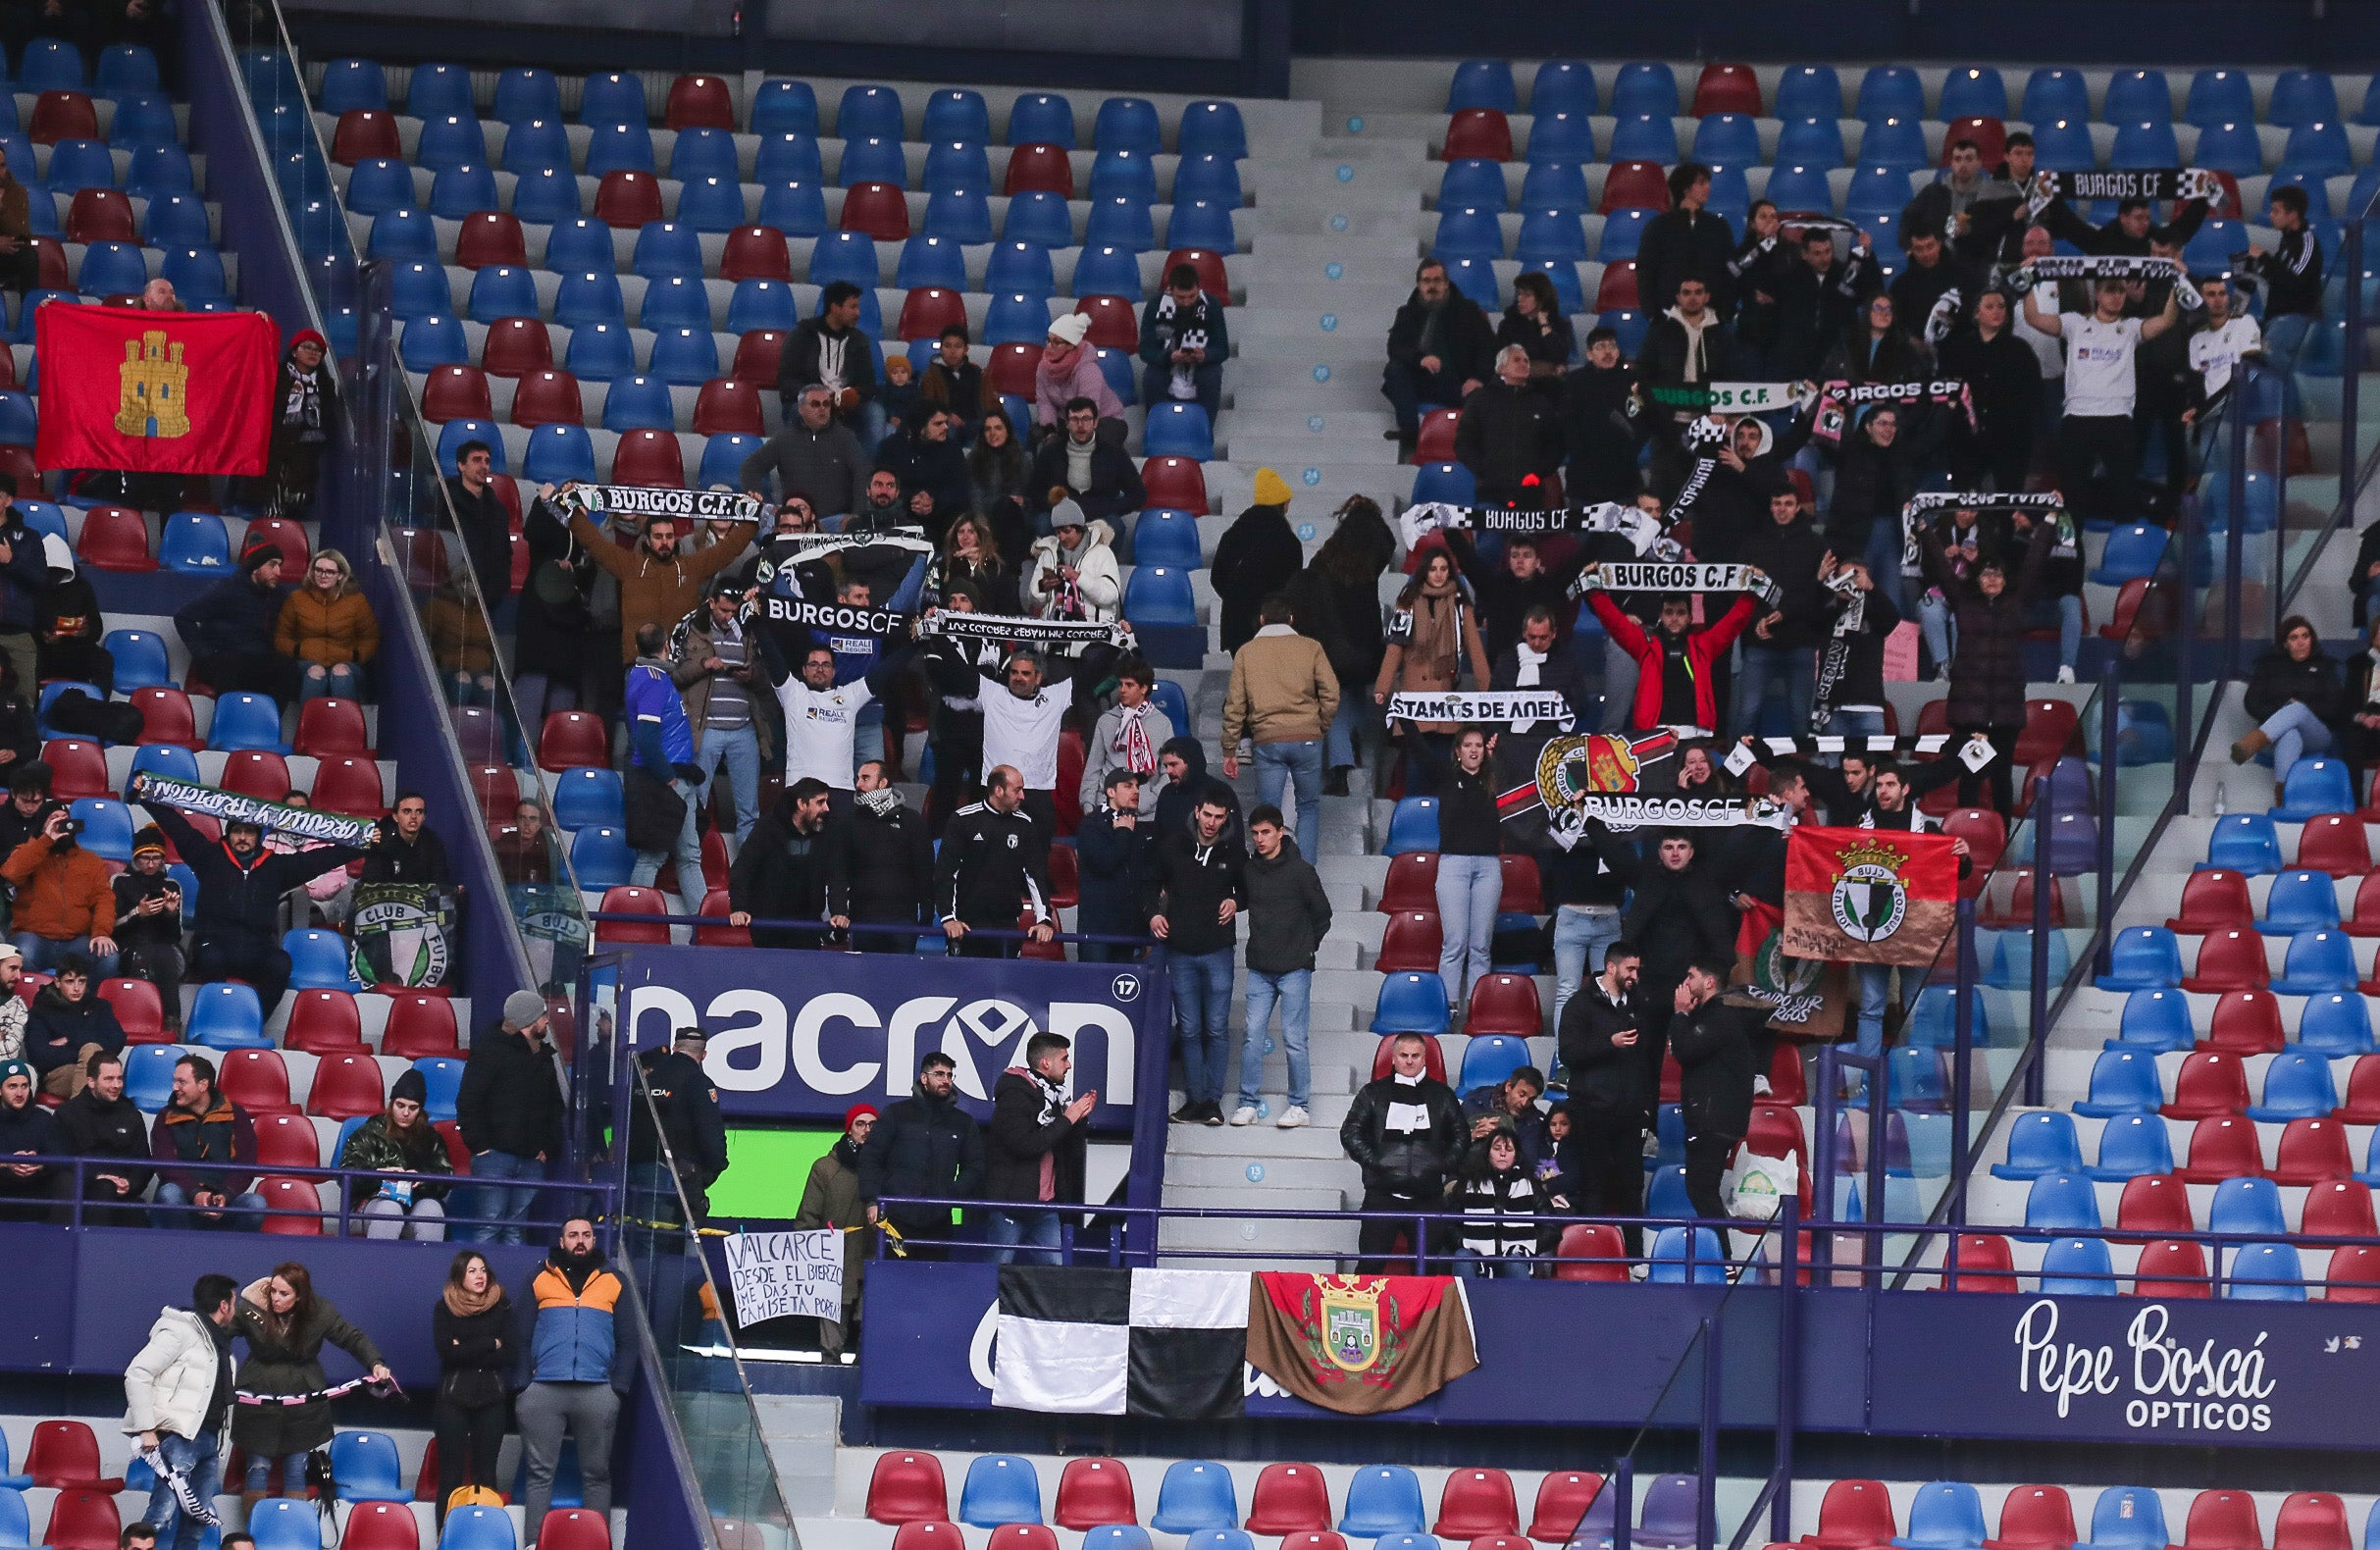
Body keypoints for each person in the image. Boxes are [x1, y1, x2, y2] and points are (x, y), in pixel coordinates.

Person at [139, 792, 370, 1021]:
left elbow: (320, 859)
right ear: (228, 834)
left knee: (281, 963)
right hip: (214, 943)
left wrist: (362, 842)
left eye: (249, 832)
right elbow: (178, 829)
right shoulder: (208, 857)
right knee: (210, 959)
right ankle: (220, 1019)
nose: (242, 837)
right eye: (237, 831)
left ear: (258, 836)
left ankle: (252, 1020)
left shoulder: (276, 865)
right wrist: (147, 795)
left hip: (257, 947)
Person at [2022, 277, 2183, 526]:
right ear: (2096, 294)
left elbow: (2167, 320)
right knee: (2071, 498)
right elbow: (2033, 317)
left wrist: (2177, 282)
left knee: (2125, 496)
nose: (2116, 296)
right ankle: (2070, 555)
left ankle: (2127, 552)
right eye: (2110, 290)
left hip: (2117, 420)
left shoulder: (2130, 328)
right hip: (2077, 419)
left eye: (2120, 291)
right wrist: (2029, 282)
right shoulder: (2075, 323)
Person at [231, 1264, 391, 1508]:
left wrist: (375, 1363)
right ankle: (253, 1539)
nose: (275, 1298)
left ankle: (292, 1537)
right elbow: (218, 1330)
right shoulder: (249, 1307)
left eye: (284, 1294)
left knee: (296, 1471)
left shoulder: (320, 1312)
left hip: (303, 1400)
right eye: (273, 1291)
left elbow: (351, 1337)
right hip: (258, 1396)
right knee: (257, 1470)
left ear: (300, 1295)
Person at [517, 1218, 629, 1539]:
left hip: (597, 1391)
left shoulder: (614, 1280)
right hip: (544, 1390)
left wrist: (617, 1389)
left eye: (586, 1235)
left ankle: (595, 1544)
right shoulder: (538, 1277)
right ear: (562, 1239)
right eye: (573, 1235)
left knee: (597, 1474)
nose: (580, 1240)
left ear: (594, 1239)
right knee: (539, 1475)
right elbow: (520, 1335)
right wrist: (524, 1386)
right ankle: (534, 1545)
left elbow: (629, 1340)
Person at [1934, 527, 2053, 813]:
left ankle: (2002, 845)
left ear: (2005, 580)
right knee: (1971, 777)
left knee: (2001, 779)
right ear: (1977, 579)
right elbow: (1941, 568)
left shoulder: (2015, 604)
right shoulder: (1964, 603)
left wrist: (2048, 521)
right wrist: (1924, 529)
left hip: (2005, 714)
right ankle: (1965, 843)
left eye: (1997, 575)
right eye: (1986, 574)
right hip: (1970, 714)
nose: (1992, 579)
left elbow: (2034, 563)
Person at [1148, 791, 1246, 1124]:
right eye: (1207, 815)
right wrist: (1152, 915)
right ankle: (1195, 1100)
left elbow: (1249, 888)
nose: (1212, 823)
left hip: (1218, 949)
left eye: (1219, 817)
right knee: (1189, 1030)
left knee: (1216, 1029)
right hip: (1180, 951)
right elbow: (1148, 882)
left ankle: (1212, 1102)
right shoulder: (1173, 845)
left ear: (1227, 817)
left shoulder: (1234, 852)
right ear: (1197, 811)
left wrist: (1236, 902)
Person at [124, 1273, 239, 1550]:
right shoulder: (179, 1332)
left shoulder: (218, 1342)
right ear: (224, 1305)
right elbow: (137, 1373)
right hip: (179, 1438)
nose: (238, 1310)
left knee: (196, 1524)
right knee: (160, 1516)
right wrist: (146, 1427)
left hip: (209, 1441)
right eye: (235, 1302)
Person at [1221, 594, 1339, 863]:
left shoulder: (1246, 652)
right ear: (1291, 620)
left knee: (1268, 814)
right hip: (1308, 738)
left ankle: (1272, 871)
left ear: (1261, 621)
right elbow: (1331, 693)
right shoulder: (1311, 647)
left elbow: (1235, 705)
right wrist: (1320, 725)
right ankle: (1307, 871)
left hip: (1267, 740)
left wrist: (1230, 747)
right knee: (1307, 807)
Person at [1234, 804, 1330, 1129]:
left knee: (1294, 1037)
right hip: (1261, 967)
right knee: (1252, 1035)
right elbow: (1243, 900)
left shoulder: (1302, 872)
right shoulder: (1249, 871)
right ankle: (1247, 1101)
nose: (1260, 839)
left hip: (1294, 968)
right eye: (1255, 833)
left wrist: (1305, 948)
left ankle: (1299, 1105)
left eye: (1266, 832)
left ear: (1280, 832)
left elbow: (1323, 915)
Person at [570, 508, 758, 670]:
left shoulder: (690, 567)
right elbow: (593, 542)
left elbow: (727, 550)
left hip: (681, 665)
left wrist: (751, 515)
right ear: (647, 539)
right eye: (658, 537)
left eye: (669, 536)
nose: (664, 542)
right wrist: (573, 508)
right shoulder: (630, 565)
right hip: (639, 664)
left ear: (675, 539)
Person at [1341, 1032, 1467, 1272]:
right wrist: (1375, 1162)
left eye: (1415, 1056)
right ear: (1393, 1058)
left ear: (1424, 1059)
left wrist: (1441, 1164)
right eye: (1404, 1055)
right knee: (1369, 1268)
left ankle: (1425, 1312)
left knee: (1426, 1271)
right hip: (1382, 1196)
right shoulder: (1372, 1093)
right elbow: (1350, 1132)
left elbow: (1462, 1136)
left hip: (1428, 1198)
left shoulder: (1443, 1095)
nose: (1409, 1061)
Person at [1580, 571, 1758, 737]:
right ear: (1661, 616)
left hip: (1697, 732)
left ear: (1690, 617)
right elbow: (1615, 623)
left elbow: (1735, 621)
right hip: (1654, 733)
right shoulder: (1645, 645)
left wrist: (1754, 588)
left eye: (1680, 613)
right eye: (1669, 612)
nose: (1674, 617)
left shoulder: (1704, 645)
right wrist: (1594, 588)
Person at [1556, 941, 1648, 1250]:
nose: (1635, 975)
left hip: (1629, 1113)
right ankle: (1591, 1255)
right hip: (1591, 1110)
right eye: (1630, 969)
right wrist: (1609, 1043)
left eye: (1637, 969)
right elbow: (1568, 1053)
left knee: (1632, 1187)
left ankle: (1636, 1259)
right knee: (1593, 1184)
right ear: (1611, 967)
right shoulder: (1580, 1004)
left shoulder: (1638, 1004)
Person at [454, 990, 565, 1245]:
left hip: (532, 1160)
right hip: (494, 1158)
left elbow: (554, 1106)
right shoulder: (490, 1051)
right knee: (490, 1227)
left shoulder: (543, 1057)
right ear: (529, 1020)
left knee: (517, 1229)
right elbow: (468, 1101)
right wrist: (480, 1147)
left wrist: (548, 1147)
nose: (547, 1020)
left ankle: (514, 1285)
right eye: (542, 1015)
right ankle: (478, 1284)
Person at [1372, 550, 1491, 791]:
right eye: (1433, 568)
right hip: (1414, 700)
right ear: (1424, 571)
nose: (1438, 574)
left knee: (1445, 769)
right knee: (1416, 770)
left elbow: (1476, 651)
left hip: (1446, 701)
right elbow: (1395, 646)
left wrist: (1488, 690)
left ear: (1450, 572)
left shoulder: (1460, 604)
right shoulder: (1407, 601)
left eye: (1443, 569)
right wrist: (1382, 687)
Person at [620, 623, 709, 926]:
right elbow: (645, 738)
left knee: (689, 854)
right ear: (666, 644)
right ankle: (633, 923)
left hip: (678, 776)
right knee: (653, 856)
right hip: (667, 780)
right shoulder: (653, 680)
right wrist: (668, 777)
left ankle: (705, 925)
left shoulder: (643, 675)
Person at [855, 1052, 985, 1257]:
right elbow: (871, 1158)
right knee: (894, 1279)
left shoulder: (963, 1122)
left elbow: (975, 1166)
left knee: (934, 1283)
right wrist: (872, 1200)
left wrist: (952, 1193)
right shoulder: (896, 1113)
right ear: (924, 1078)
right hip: (896, 1217)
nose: (946, 1080)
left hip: (940, 1219)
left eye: (950, 1075)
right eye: (939, 1074)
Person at [983, 1031, 1096, 1265]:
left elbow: (1070, 1152)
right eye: (1064, 1059)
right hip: (1010, 1205)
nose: (1069, 1065)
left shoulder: (1057, 1097)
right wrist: (1068, 1119)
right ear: (1046, 1062)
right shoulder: (1014, 1094)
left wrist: (1079, 1119)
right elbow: (1024, 1145)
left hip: (1045, 1206)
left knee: (1055, 1274)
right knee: (997, 1270)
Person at [668, 581, 763, 853]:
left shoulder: (749, 630)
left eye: (733, 611)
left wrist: (752, 674)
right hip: (705, 729)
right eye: (723, 610)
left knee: (749, 810)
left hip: (744, 729)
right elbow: (674, 676)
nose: (728, 616)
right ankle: (689, 859)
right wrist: (704, 665)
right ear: (711, 603)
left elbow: (767, 680)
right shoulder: (691, 629)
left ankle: (747, 868)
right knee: (693, 802)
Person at [1734, 482, 1834, 735]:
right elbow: (1740, 591)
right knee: (1747, 713)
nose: (1782, 509)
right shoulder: (1751, 543)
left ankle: (1802, 773)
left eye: (1788, 504)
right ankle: (1737, 774)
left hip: (1800, 643)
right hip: (1759, 642)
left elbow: (1822, 596)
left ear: (1798, 507)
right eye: (1777, 504)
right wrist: (1756, 620)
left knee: (1801, 719)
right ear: (1770, 506)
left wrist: (1786, 613)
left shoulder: (1815, 544)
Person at [1669, 957, 1762, 1223]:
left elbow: (1686, 1050)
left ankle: (1724, 1260)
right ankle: (1723, 1258)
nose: (1685, 983)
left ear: (1709, 982)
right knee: (1702, 1189)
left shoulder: (1721, 1017)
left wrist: (1681, 1014)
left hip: (1712, 1119)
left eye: (1691, 976)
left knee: (1701, 1189)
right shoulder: (1713, 1016)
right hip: (1716, 1118)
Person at [1422, 727, 1504, 1013]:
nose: (1473, 750)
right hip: (1453, 864)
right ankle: (1449, 1007)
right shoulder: (1447, 776)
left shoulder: (1495, 779)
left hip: (1488, 866)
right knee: (1455, 942)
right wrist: (1403, 717)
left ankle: (1478, 1008)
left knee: (1481, 945)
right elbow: (1419, 751)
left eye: (1478, 745)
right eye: (1467, 745)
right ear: (1457, 751)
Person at [935, 766, 1055, 957]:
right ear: (999, 791)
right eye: (1017, 790)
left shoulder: (1025, 825)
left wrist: (1044, 920)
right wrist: (949, 918)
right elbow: (946, 873)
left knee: (1004, 986)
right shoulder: (963, 819)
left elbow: (1035, 875)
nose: (1023, 796)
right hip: (965, 926)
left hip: (1006, 927)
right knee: (963, 986)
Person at [431, 1251, 511, 1524]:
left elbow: (509, 1353)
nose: (480, 1276)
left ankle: (486, 1536)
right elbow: (448, 1354)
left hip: (491, 1398)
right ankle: (446, 1536)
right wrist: (490, 1342)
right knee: (451, 1477)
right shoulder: (445, 1306)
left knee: (486, 1475)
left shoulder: (502, 1305)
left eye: (483, 1270)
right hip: (452, 1398)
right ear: (459, 1276)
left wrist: (464, 1347)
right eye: (472, 1271)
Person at [1382, 258, 1495, 452]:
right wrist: (1420, 359)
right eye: (1426, 281)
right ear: (1419, 285)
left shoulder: (1469, 312)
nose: (1432, 286)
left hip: (1457, 382)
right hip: (1420, 380)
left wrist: (1478, 378)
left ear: (1446, 283)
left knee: (1480, 397)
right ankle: (1410, 435)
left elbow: (1488, 349)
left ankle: (1470, 449)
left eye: (1437, 280)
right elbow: (1395, 348)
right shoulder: (1406, 313)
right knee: (1394, 370)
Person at [817, 760, 932, 952]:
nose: (858, 785)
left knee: (901, 978)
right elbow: (838, 873)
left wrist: (927, 913)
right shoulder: (848, 823)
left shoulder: (911, 821)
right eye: (858, 779)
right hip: (863, 920)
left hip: (903, 920)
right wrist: (838, 912)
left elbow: (925, 868)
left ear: (882, 783)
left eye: (865, 778)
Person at [1938, 290, 2044, 492]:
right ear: (1976, 313)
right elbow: (1946, 388)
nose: (1997, 311)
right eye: (1990, 306)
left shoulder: (2020, 351)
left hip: (2010, 440)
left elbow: (2034, 399)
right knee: (1966, 504)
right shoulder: (1958, 349)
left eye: (2001, 306)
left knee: (2007, 505)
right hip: (1966, 440)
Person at [794, 1106, 873, 1359]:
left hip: (871, 1259)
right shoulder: (825, 1168)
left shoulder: (884, 1169)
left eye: (873, 1125)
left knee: (872, 1336)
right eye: (861, 1124)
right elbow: (808, 1216)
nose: (867, 1130)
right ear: (848, 1129)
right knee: (831, 1340)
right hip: (833, 1263)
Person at [337, 1068, 453, 1240]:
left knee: (432, 1210)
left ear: (420, 1110)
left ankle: (428, 1265)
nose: (406, 1113)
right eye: (401, 1105)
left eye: (412, 1108)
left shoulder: (432, 1138)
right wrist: (380, 1175)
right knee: (390, 1209)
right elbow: (346, 1173)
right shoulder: (369, 1132)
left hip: (416, 1203)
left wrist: (423, 1178)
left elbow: (446, 1176)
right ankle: (378, 1266)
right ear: (391, 1104)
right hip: (371, 1204)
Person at [628, 1026, 728, 1225]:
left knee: (641, 1237)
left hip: (635, 1173)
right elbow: (711, 1135)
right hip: (680, 1179)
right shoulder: (698, 1082)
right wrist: (715, 1167)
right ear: (704, 1054)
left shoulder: (645, 1079)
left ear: (675, 1047)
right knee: (682, 1242)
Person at [6, 801, 118, 975]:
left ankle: (88, 1001)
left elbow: (104, 900)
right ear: (44, 825)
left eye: (64, 820)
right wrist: (46, 840)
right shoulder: (27, 852)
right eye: (54, 819)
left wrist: (101, 933)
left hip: (76, 941)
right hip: (34, 938)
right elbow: (11, 873)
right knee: (20, 955)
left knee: (108, 957)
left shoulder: (91, 861)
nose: (60, 824)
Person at [2236, 615, 2346, 789]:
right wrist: (2283, 710)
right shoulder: (2268, 666)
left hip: (2316, 734)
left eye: (2305, 636)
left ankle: (2251, 743)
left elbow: (2335, 708)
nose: (2301, 642)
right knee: (2290, 735)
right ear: (2285, 643)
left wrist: (2303, 708)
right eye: (2294, 637)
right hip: (2277, 736)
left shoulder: (2325, 666)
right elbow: (2252, 703)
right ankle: (2284, 798)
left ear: (2312, 639)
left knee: (2299, 709)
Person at [174, 543, 291, 705]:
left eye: (280, 566)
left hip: (257, 658)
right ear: (255, 567)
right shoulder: (225, 589)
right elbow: (184, 617)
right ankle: (226, 724)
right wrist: (204, 653)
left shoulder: (278, 595)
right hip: (222, 658)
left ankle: (268, 724)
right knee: (229, 666)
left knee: (285, 667)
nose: (278, 572)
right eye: (272, 565)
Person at [727, 779, 832, 949]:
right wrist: (739, 907)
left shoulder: (824, 832)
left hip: (808, 927)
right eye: (820, 802)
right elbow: (742, 869)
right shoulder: (767, 828)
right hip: (769, 928)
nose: (826, 808)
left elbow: (835, 874)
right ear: (801, 804)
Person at [1455, 344, 1564, 505]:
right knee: (1490, 531)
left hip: (1531, 495)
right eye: (1517, 360)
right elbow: (1464, 442)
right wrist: (1483, 471)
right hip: (1490, 493)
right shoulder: (1480, 400)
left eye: (1526, 361)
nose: (1523, 364)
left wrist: (1538, 472)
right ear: (1501, 368)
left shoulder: (1541, 403)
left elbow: (1555, 445)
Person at [740, 385, 871, 517]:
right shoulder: (784, 438)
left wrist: (857, 515)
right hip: (795, 521)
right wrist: (756, 496)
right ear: (801, 409)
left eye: (826, 404)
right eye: (815, 404)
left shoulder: (845, 438)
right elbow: (750, 467)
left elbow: (863, 472)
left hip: (835, 521)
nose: (822, 409)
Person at [782, 281, 883, 450]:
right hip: (810, 400)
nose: (858, 313)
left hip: (845, 406)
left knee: (875, 413)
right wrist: (814, 396)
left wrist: (853, 395)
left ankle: (866, 472)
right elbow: (787, 380)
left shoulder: (859, 340)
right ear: (835, 307)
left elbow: (869, 384)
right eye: (853, 307)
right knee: (801, 412)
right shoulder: (804, 334)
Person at [1210, 467, 1301, 654]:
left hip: (1235, 627)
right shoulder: (1287, 541)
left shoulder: (1234, 533)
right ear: (1281, 504)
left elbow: (1217, 577)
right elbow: (1293, 586)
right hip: (1272, 627)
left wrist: (1237, 600)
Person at [273, 548, 378, 702]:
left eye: (329, 571)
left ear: (340, 575)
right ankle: (308, 724)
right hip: (306, 660)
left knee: (341, 674)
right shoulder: (297, 599)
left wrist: (354, 656)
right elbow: (281, 637)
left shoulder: (357, 601)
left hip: (346, 660)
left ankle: (346, 724)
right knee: (315, 674)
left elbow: (371, 638)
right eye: (318, 570)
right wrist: (298, 650)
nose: (323, 575)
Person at [2238, 184, 2324, 369]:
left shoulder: (2306, 242)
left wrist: (2264, 258)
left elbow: (2293, 282)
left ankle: (2292, 396)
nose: (2271, 215)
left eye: (2276, 211)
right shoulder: (2287, 241)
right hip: (2276, 317)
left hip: (2298, 316)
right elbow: (2276, 278)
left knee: (2270, 350)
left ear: (2293, 215)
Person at [1075, 768, 1157, 962]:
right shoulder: (1091, 824)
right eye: (1128, 786)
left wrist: (1143, 931)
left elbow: (1140, 879)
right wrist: (1122, 834)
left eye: (1137, 786)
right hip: (1098, 930)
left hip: (1128, 929)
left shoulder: (1136, 827)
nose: (1136, 791)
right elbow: (1104, 863)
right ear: (1111, 792)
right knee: (1094, 989)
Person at [60, 1051, 150, 1222]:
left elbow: (144, 1162)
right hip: (82, 1193)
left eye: (120, 1078)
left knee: (139, 1218)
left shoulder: (131, 1114)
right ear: (91, 1081)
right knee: (103, 1189)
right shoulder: (68, 1113)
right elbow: (59, 1159)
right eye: (109, 1079)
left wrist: (130, 1183)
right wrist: (95, 1177)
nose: (116, 1085)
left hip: (123, 1196)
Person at [1638, 162, 1738, 317]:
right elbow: (1646, 270)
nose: (1708, 188)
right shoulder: (1659, 226)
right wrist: (1653, 313)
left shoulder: (1718, 226)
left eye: (1707, 182)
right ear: (1685, 188)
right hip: (1669, 315)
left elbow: (1731, 268)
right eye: (1701, 182)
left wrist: (1726, 310)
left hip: (1712, 314)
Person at [1559, 326, 1646, 503]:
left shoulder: (1633, 381)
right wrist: (1581, 452)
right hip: (1585, 479)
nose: (1608, 351)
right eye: (1601, 346)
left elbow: (1643, 420)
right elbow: (1567, 425)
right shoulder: (1575, 382)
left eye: (1612, 346)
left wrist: (1631, 448)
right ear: (1589, 354)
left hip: (1624, 477)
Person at [1080, 656, 1176, 815]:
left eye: (1129, 685)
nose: (1122, 690)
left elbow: (1169, 771)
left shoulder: (1162, 722)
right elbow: (1093, 768)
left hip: (1146, 812)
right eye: (1121, 684)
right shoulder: (1106, 720)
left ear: (1144, 688)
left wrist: (1150, 799)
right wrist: (1089, 807)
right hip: (1106, 808)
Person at [1448, 1119, 1543, 1278]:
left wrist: (1527, 1245)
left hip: (1514, 1254)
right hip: (1475, 1254)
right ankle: (1463, 1303)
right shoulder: (1470, 1182)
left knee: (1516, 1263)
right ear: (1488, 1153)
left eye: (1509, 1149)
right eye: (1497, 1148)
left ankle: (1522, 1303)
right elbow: (1449, 1222)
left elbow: (1551, 1227)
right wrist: (1465, 1242)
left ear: (1516, 1154)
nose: (1503, 1154)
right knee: (1463, 1257)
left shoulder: (1530, 1185)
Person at [1028, 398, 1145, 527]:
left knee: (1115, 526)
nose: (1080, 425)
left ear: (1095, 422)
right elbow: (1034, 492)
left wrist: (1108, 508)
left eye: (1086, 419)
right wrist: (1056, 507)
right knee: (1042, 524)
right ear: (1067, 423)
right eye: (1074, 419)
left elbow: (1137, 494)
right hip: (1061, 515)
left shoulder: (1114, 452)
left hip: (1101, 515)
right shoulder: (1050, 452)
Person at [261, 331, 336, 518]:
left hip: (308, 448)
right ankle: (275, 520)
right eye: (307, 347)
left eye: (318, 350)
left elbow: (327, 419)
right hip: (277, 444)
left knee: (299, 497)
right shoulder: (277, 375)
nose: (313, 352)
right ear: (294, 352)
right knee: (275, 481)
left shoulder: (325, 384)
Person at [1139, 261, 1230, 418]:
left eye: (1192, 296)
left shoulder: (1212, 306)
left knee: (1211, 376)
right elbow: (1145, 350)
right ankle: (1157, 426)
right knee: (1152, 377)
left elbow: (1222, 349)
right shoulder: (1155, 305)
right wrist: (1168, 356)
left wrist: (1205, 355)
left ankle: (1203, 430)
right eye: (1181, 297)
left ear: (1198, 289)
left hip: (1202, 364)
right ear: (1170, 290)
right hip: (1165, 362)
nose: (1187, 302)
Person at [26, 952, 123, 1098]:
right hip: (57, 1075)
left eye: (81, 981)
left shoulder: (100, 1007)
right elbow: (40, 1056)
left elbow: (117, 1040)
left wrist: (70, 1041)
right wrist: (84, 1051)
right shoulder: (41, 1011)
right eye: (70, 982)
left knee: (96, 1069)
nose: (77, 988)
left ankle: (78, 1115)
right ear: (57, 982)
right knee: (97, 1071)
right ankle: (84, 1114)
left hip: (96, 1072)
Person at [876, 405, 971, 539]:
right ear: (920, 427)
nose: (945, 427)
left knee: (960, 516)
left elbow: (959, 490)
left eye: (946, 422)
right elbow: (881, 485)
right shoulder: (890, 448)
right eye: (938, 424)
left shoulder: (952, 449)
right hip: (901, 513)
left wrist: (933, 501)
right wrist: (911, 500)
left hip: (941, 516)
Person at [1022, 501, 1122, 623]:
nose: (1062, 537)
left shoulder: (1103, 553)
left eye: (1067, 531)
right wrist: (1043, 587)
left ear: (1080, 528)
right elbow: (1033, 600)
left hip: (1092, 635)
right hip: (1053, 632)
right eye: (1058, 532)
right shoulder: (1048, 553)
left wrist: (1078, 577)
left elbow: (1110, 596)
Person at [441, 440, 512, 604]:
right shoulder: (444, 502)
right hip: (453, 595)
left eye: (487, 461)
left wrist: (500, 586)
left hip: (490, 598)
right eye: (476, 460)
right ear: (461, 465)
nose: (484, 466)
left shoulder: (498, 509)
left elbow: (505, 552)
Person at [1033, 313, 1123, 439]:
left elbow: (1088, 410)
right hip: (1067, 418)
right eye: (1048, 340)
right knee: (1037, 433)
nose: (1049, 346)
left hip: (1101, 418)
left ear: (1071, 345)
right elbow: (1045, 402)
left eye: (1056, 342)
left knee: (1096, 436)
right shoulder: (1043, 368)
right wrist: (1049, 429)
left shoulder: (1088, 371)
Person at [966, 409, 1036, 556]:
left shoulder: (1023, 459)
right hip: (986, 518)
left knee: (1008, 508)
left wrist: (1024, 502)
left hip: (1017, 519)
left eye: (998, 428)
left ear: (1008, 431)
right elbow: (976, 498)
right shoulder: (974, 460)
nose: (993, 433)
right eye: (988, 429)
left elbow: (1031, 497)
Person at [926, 513, 1020, 617]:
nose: (965, 537)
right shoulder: (943, 564)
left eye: (971, 532)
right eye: (961, 532)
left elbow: (1007, 606)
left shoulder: (996, 566)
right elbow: (929, 600)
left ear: (980, 535)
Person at [0, 1056, 59, 1218]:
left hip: (37, 1192)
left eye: (24, 1086)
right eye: (12, 1086)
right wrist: (8, 1163)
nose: (19, 1093)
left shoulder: (44, 1119)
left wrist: (38, 1164)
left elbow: (58, 1155)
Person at [916, 326, 995, 439]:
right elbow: (927, 405)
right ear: (941, 348)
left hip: (976, 422)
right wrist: (945, 416)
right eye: (947, 346)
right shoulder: (931, 375)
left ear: (965, 350)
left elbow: (991, 403)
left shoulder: (977, 373)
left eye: (958, 346)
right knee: (946, 427)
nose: (952, 351)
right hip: (947, 423)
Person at [1495, 270, 1572, 379]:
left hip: (1551, 384)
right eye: (1519, 294)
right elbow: (1503, 359)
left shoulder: (1560, 324)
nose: (1520, 299)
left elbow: (1559, 356)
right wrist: (1542, 367)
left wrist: (1544, 325)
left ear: (1541, 299)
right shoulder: (1508, 325)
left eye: (1527, 295)